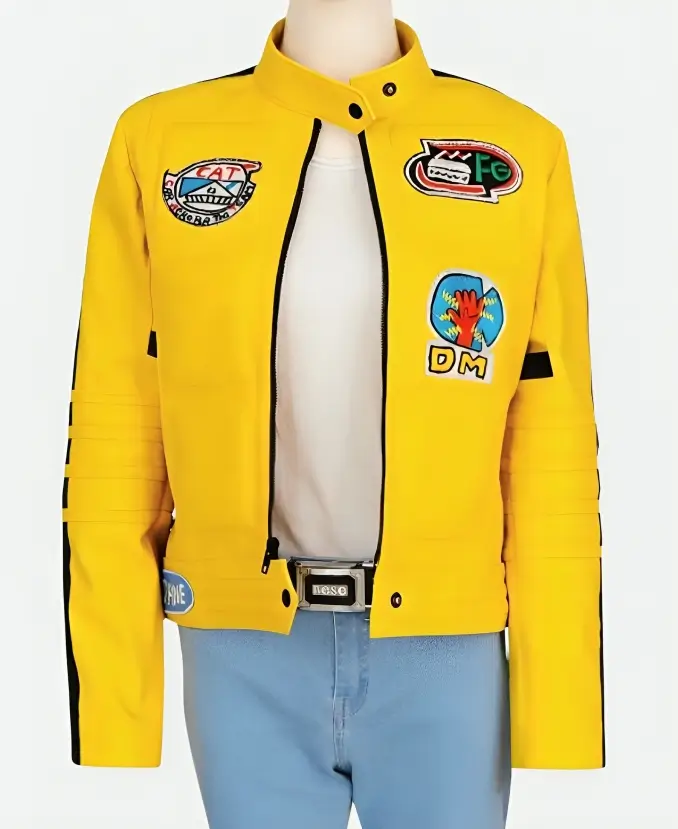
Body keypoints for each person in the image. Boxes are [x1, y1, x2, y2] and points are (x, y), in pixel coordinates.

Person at [62, 2, 604, 827]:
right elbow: (118, 424)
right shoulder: (163, 142)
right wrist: (114, 696)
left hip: (447, 650)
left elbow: (549, 443)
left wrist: (561, 701)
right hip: (241, 645)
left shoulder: (521, 150)